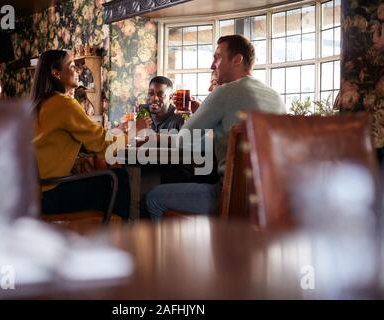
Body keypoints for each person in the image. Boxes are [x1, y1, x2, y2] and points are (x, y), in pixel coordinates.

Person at [146, 35, 286, 220]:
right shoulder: (276, 96)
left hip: (229, 197)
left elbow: (182, 140)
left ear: (237, 60)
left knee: (154, 197)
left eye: (217, 57)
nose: (213, 65)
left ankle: (171, 249)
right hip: (272, 201)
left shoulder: (226, 91)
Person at [31, 49, 150, 219]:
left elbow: (91, 139)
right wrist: (134, 130)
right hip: (51, 193)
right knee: (117, 178)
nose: (77, 71)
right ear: (56, 73)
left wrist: (119, 131)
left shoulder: (39, 104)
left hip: (33, 193)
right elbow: (104, 146)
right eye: (72, 66)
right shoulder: (64, 103)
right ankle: (119, 236)